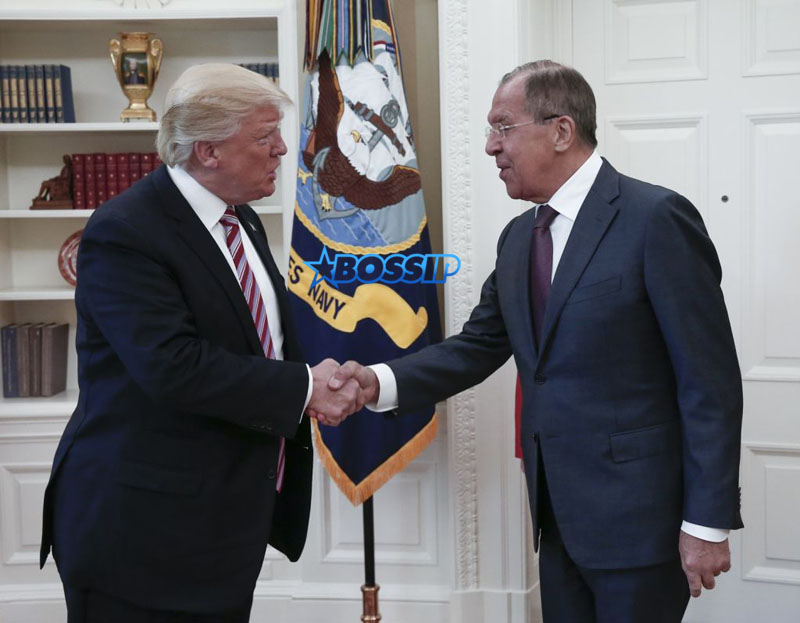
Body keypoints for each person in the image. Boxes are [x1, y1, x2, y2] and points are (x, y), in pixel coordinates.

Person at [325, 60, 744, 623]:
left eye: (503, 127)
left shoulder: (655, 219)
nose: (490, 148)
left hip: (641, 524)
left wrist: (707, 522)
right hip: (556, 518)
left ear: (561, 131)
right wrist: (378, 380)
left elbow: (709, 381)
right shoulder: (521, 237)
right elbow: (477, 346)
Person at [39, 63, 363, 622]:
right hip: (140, 534)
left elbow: (256, 341)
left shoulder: (241, 219)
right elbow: (173, 366)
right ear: (208, 151)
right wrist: (307, 388)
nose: (284, 149)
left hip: (220, 525)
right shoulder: (125, 231)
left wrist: (324, 378)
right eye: (265, 136)